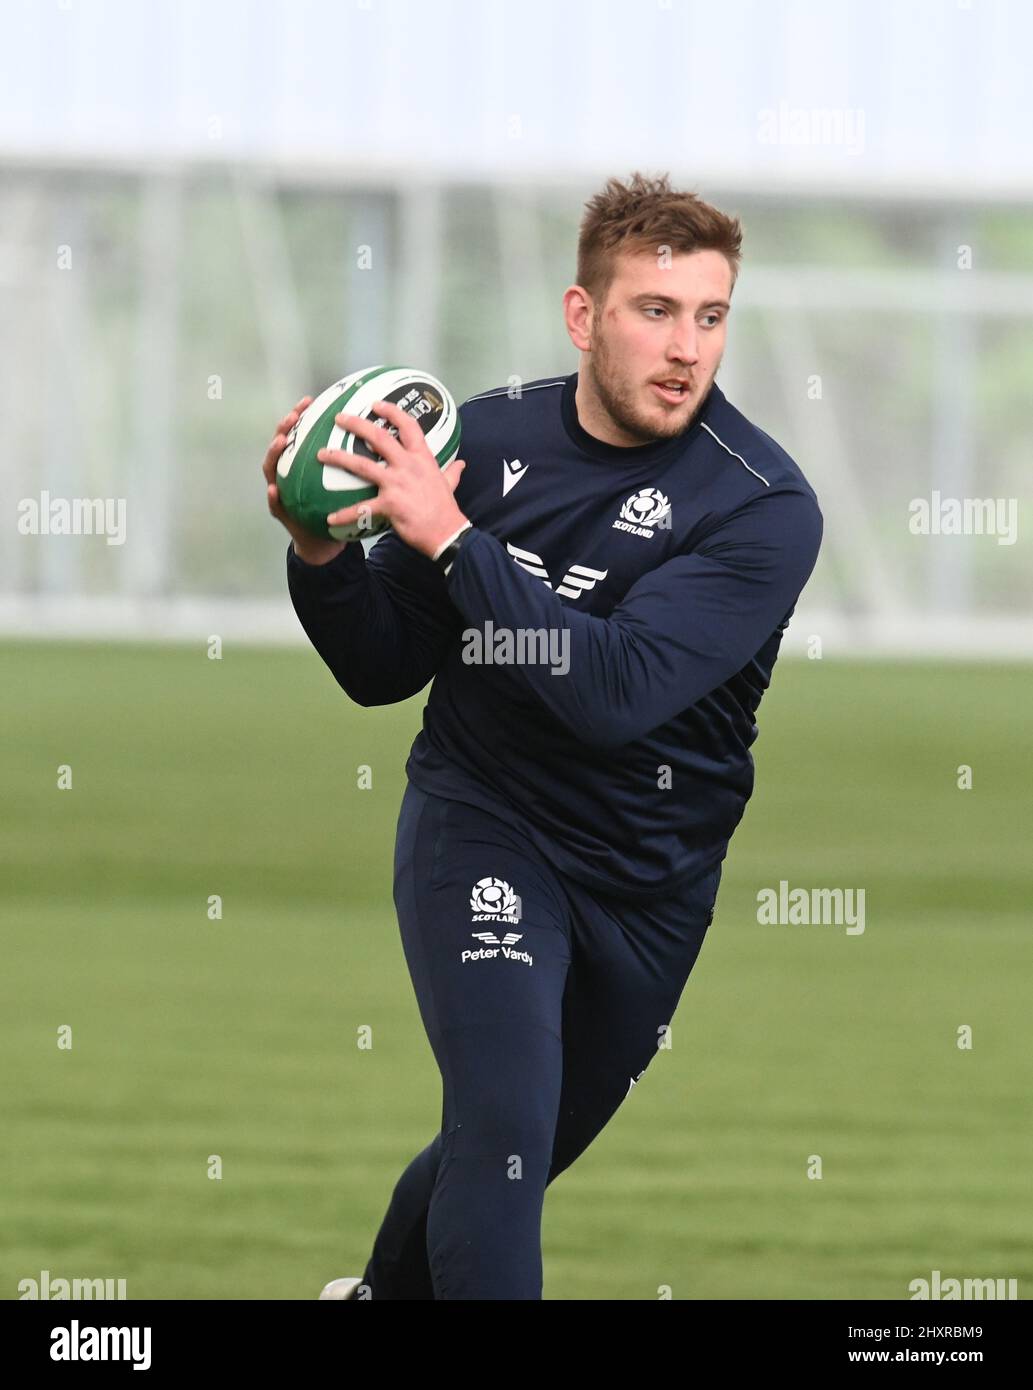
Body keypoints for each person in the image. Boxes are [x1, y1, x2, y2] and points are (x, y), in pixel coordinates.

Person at [261, 171, 823, 1300]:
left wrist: (458, 541)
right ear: (583, 316)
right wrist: (320, 552)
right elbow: (381, 666)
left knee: (512, 1150)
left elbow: (613, 690)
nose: (685, 348)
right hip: (488, 821)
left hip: (650, 884)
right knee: (504, 1123)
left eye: (709, 316)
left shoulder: (760, 506)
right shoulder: (490, 440)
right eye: (653, 311)